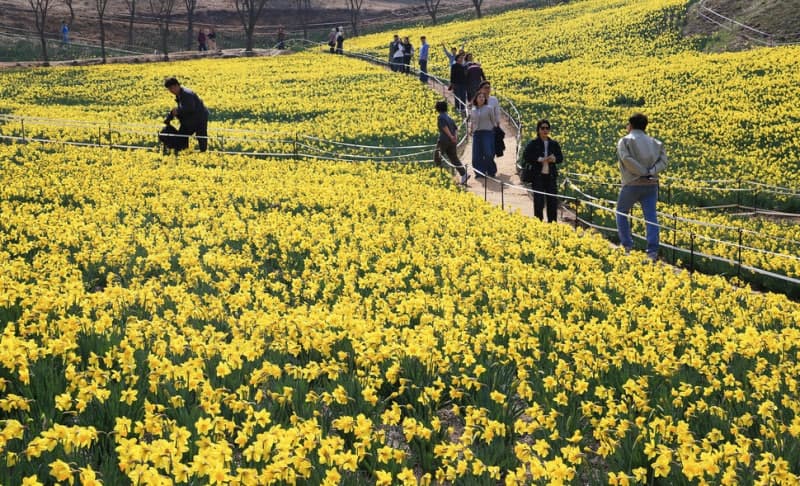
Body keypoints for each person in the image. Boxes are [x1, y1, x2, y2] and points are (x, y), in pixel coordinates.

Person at [615, 112, 668, 261]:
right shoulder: (656, 143)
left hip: (632, 183)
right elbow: (664, 162)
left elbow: (626, 159)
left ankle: (626, 245)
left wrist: (642, 172)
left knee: (621, 212)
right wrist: (651, 172)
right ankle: (652, 251)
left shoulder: (625, 141)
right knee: (651, 217)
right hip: (651, 184)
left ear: (630, 126)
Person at [522, 120, 564, 222]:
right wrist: (539, 159)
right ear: (538, 130)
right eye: (542, 128)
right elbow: (526, 156)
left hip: (551, 176)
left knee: (552, 201)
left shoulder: (554, 144)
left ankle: (552, 224)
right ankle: (538, 223)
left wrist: (553, 159)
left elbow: (560, 158)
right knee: (539, 202)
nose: (545, 130)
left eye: (547, 128)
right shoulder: (533, 143)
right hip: (537, 176)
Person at [164, 77, 209, 153]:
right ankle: (184, 152)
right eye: (169, 89)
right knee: (182, 136)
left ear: (177, 85)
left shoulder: (187, 94)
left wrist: (177, 111)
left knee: (200, 136)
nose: (171, 91)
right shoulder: (180, 93)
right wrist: (172, 115)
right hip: (191, 118)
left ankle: (202, 154)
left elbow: (190, 108)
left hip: (199, 118)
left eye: (171, 88)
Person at [434, 100, 469, 185]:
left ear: (437, 109)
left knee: (437, 156)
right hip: (452, 141)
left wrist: (450, 136)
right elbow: (456, 129)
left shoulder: (440, 117)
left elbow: (444, 127)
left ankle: (438, 174)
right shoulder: (449, 117)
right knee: (454, 158)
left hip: (444, 140)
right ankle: (464, 174)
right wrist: (454, 138)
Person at [469, 91, 497, 179]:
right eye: (479, 97)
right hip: (477, 133)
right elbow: (472, 122)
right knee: (477, 154)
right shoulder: (473, 110)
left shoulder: (489, 108)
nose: (481, 99)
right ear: (476, 99)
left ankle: (491, 170)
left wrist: (494, 130)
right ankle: (479, 173)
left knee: (488, 153)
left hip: (487, 133)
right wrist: (471, 129)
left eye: (483, 97)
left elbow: (493, 121)